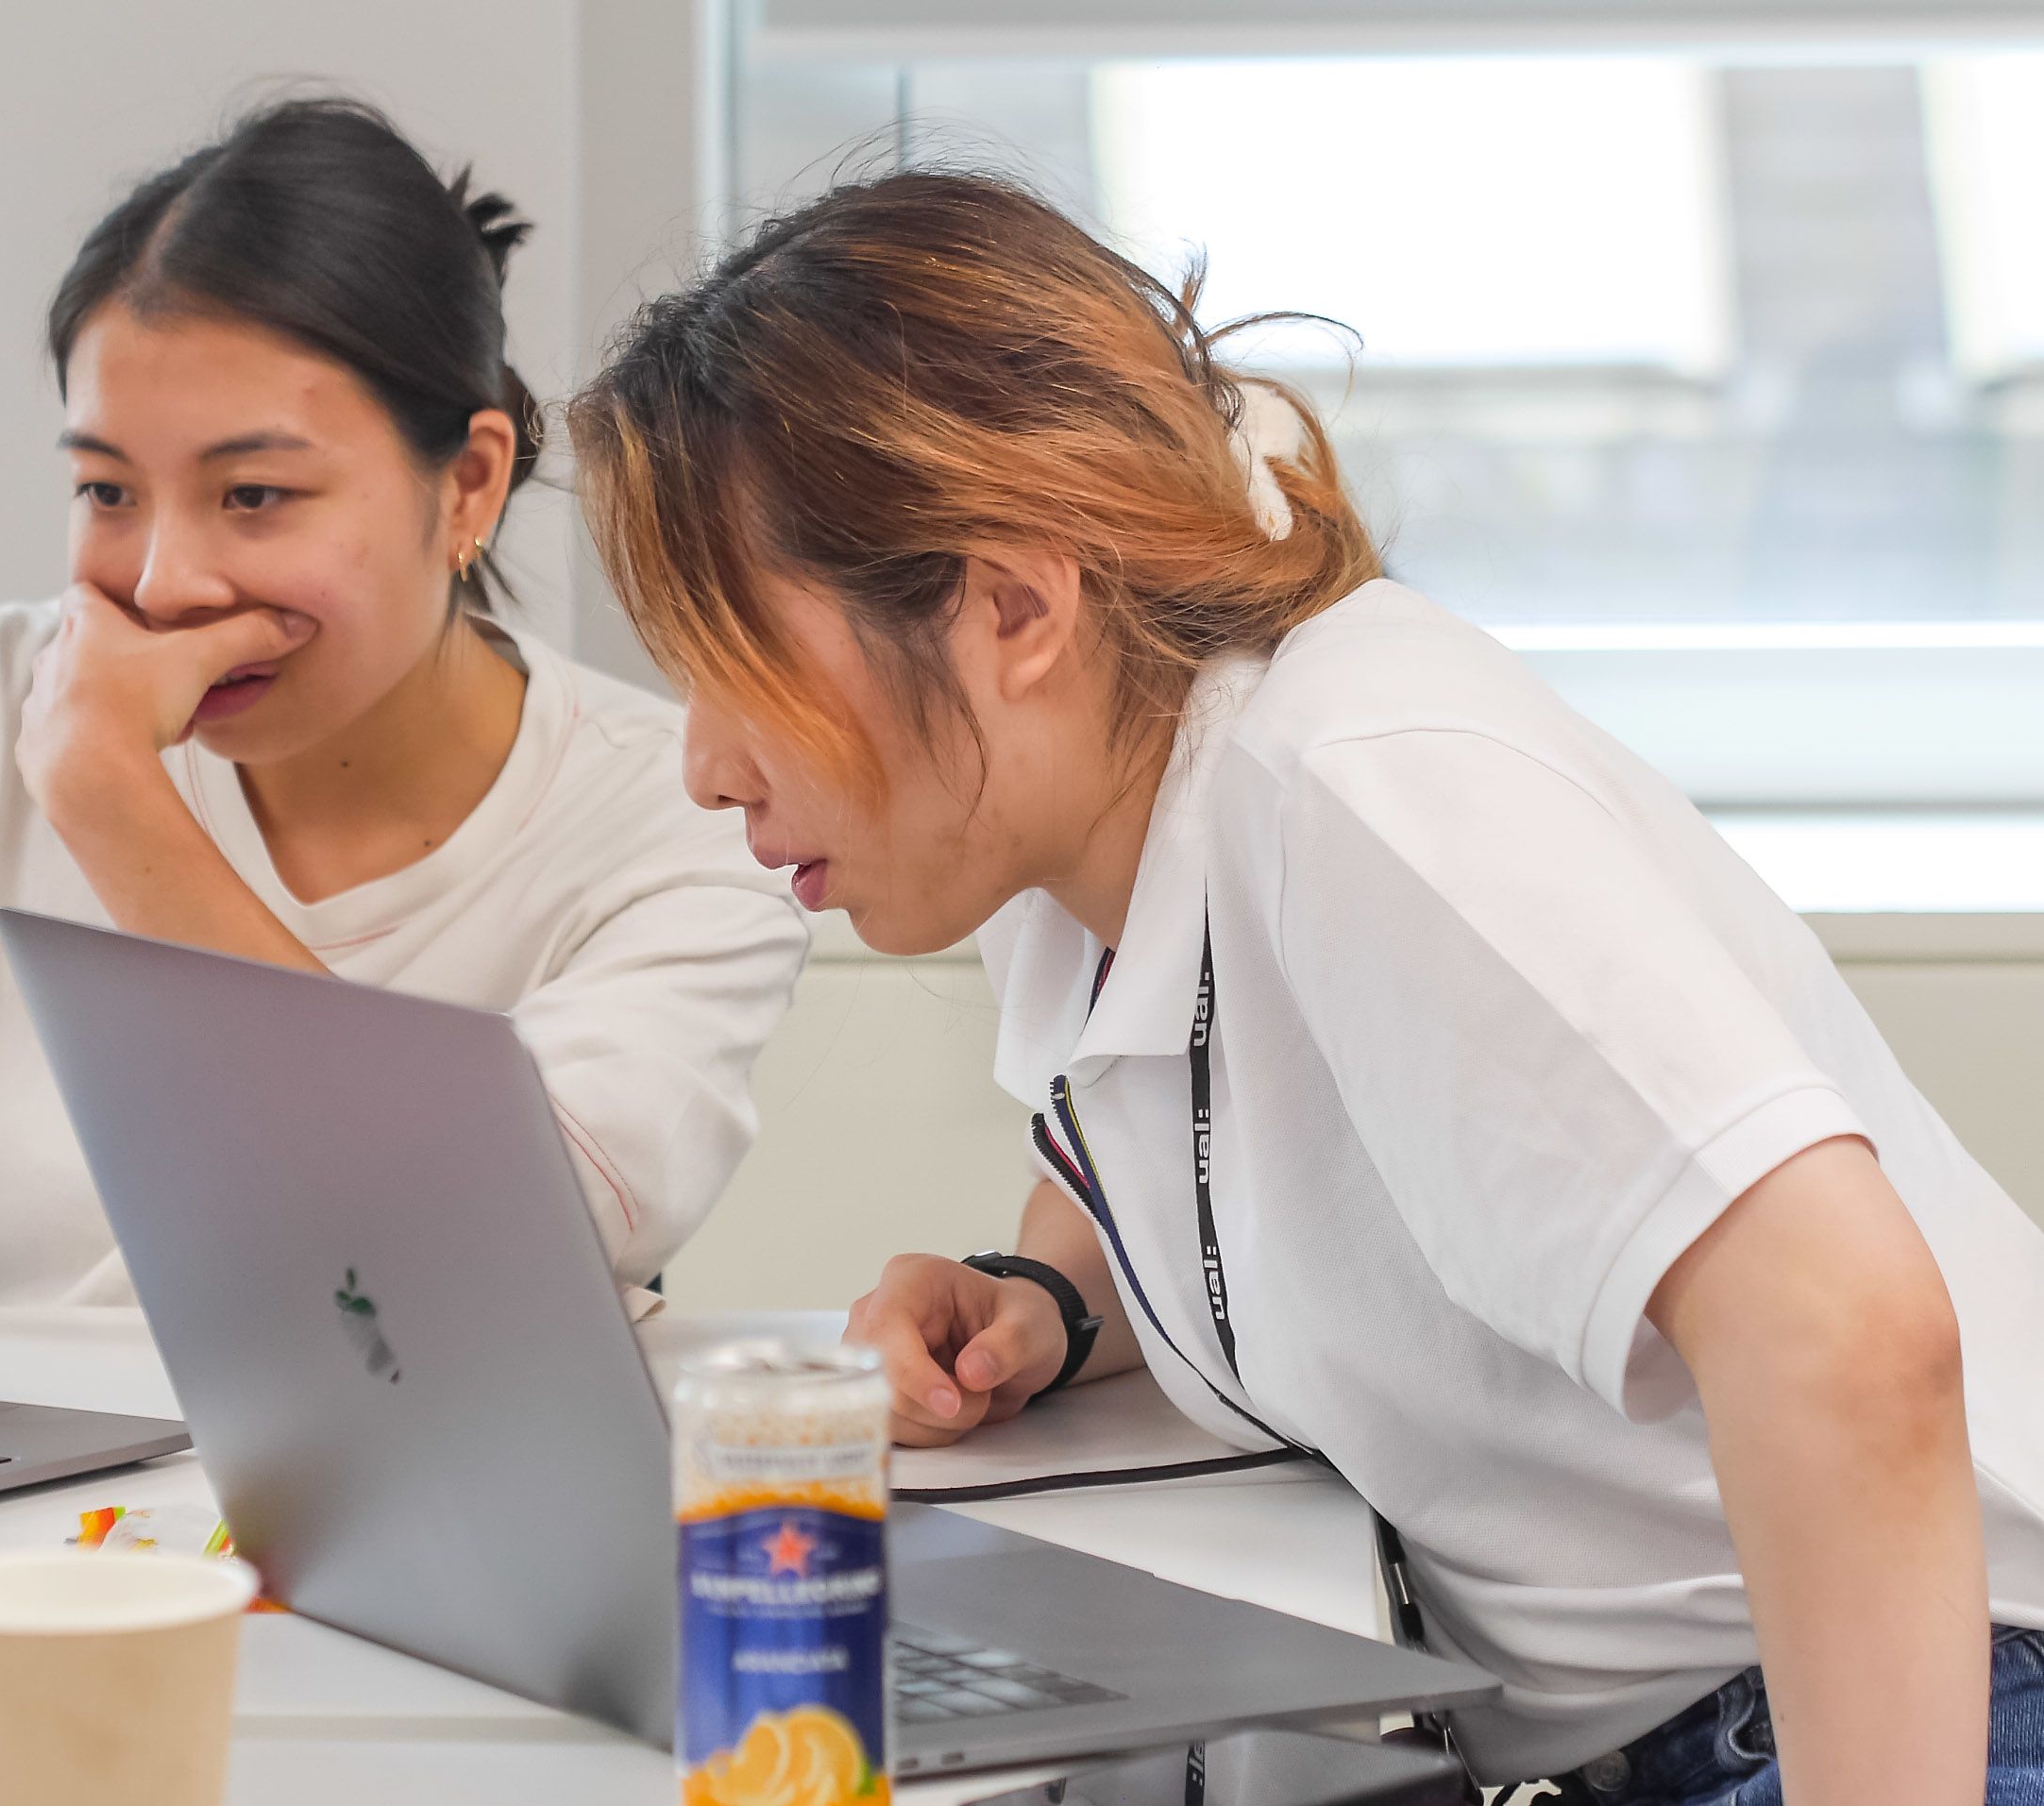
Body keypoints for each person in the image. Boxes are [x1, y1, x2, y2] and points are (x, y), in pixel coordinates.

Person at [569, 170, 2044, 1803]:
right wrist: (1051, 1300)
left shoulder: (1359, 792)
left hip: (1931, 1703)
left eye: (734, 664)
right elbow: (1288, 1173)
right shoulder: (1082, 840)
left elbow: (1848, 1333)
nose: (702, 765)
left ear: (1007, 605)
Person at [0, 100, 807, 1411]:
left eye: (253, 495)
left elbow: (475, 1262)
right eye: (105, 490)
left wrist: (110, 801)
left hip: (393, 1532)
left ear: (468, 484)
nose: (163, 578)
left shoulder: (685, 815)